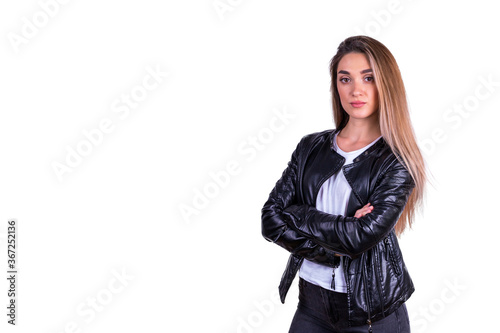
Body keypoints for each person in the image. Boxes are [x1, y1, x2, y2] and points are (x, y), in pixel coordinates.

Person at [261, 35, 427, 332]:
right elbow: (270, 220)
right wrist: (331, 250)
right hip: (311, 305)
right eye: (345, 79)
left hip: (372, 313)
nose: (356, 90)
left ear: (386, 84)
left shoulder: (397, 161)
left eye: (368, 77)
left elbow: (359, 237)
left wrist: (297, 213)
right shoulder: (310, 147)